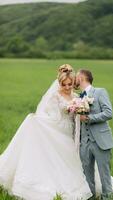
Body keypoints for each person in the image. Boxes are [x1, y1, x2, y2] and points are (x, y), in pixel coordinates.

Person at [0, 64, 92, 200]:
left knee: (70, 157)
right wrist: (38, 119)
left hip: (70, 131)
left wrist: (79, 109)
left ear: (73, 83)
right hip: (57, 129)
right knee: (57, 157)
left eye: (70, 84)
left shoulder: (76, 96)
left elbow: (80, 114)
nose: (67, 87)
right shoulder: (54, 96)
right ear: (59, 83)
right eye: (64, 85)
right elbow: (46, 112)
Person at [75, 69, 113, 200]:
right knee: (87, 174)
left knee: (104, 174)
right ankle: (90, 197)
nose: (75, 80)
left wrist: (89, 118)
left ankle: (107, 197)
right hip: (85, 143)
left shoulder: (100, 92)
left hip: (101, 141)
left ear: (81, 78)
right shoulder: (79, 97)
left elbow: (109, 113)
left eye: (76, 77)